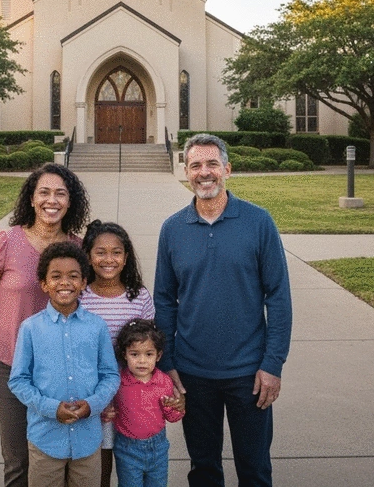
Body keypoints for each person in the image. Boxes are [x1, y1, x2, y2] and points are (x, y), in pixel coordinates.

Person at [154, 134, 293, 487]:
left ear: (227, 169)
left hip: (249, 373)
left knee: (255, 468)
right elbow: (164, 300)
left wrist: (272, 364)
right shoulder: (172, 229)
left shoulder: (259, 222)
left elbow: (278, 296)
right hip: (192, 373)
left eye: (212, 164)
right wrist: (167, 363)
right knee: (203, 469)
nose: (205, 173)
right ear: (186, 172)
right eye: (196, 165)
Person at [0, 163, 91, 487]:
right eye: (44, 192)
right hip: (6, 365)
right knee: (18, 460)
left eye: (60, 193)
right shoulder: (5, 242)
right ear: (32, 199)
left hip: (59, 369)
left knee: (60, 459)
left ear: (70, 201)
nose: (52, 200)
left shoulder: (79, 249)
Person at [8, 241, 121, 487]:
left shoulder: (97, 326)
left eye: (73, 276)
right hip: (45, 440)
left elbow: (110, 375)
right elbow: (18, 380)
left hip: (88, 441)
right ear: (44, 284)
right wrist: (50, 408)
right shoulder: (30, 328)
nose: (65, 282)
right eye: (56, 276)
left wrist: (93, 405)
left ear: (83, 283)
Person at [79, 220, 156, 487]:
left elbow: (149, 350)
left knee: (131, 466)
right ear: (88, 255)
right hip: (93, 393)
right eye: (100, 252)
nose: (108, 259)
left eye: (116, 252)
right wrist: (98, 399)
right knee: (99, 464)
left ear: (126, 258)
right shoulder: (80, 297)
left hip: (130, 395)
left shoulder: (140, 297)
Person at [112, 319, 185, 487]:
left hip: (158, 449)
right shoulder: (118, 382)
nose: (142, 361)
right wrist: (106, 412)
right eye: (134, 354)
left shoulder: (165, 382)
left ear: (158, 355)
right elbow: (108, 408)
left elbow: (173, 417)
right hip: (127, 449)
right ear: (125, 354)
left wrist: (173, 408)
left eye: (149, 354)